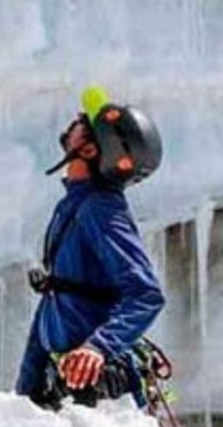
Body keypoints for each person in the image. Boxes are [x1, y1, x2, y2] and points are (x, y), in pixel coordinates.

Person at [16, 88, 165, 410]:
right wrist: (29, 389)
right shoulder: (75, 204)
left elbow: (146, 294)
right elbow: (58, 298)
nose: (76, 119)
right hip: (69, 383)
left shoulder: (100, 209)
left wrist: (98, 348)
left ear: (88, 150)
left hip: (97, 390)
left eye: (83, 123)